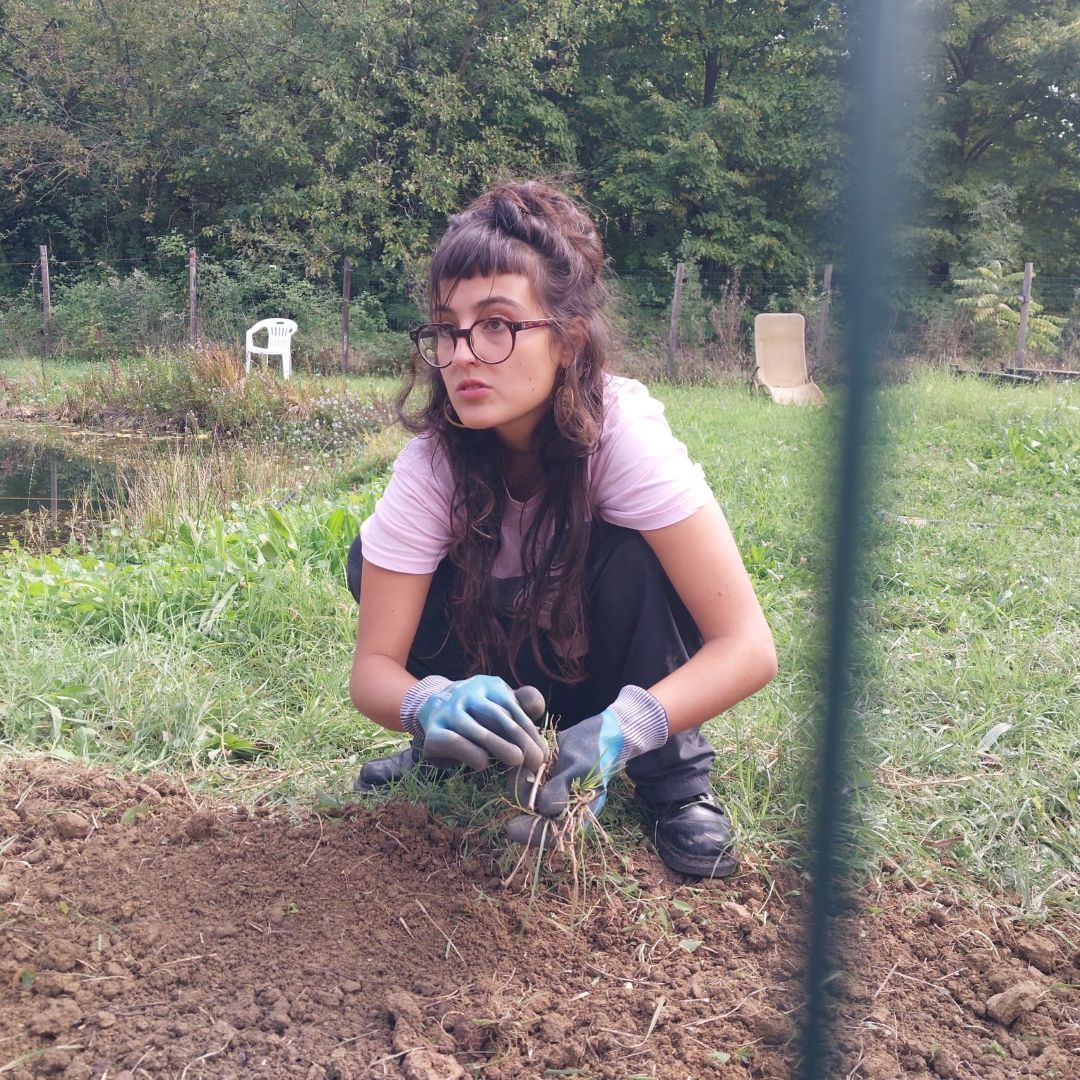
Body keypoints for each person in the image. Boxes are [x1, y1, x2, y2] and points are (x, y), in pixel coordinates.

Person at [346, 180, 777, 878]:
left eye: (497, 324)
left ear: (567, 340)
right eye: (447, 328)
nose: (462, 354)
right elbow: (372, 670)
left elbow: (749, 647)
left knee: (640, 558)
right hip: (506, 678)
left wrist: (625, 727)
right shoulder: (432, 464)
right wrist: (429, 704)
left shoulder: (620, 435)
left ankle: (674, 782)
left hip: (607, 672)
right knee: (371, 557)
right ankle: (463, 748)